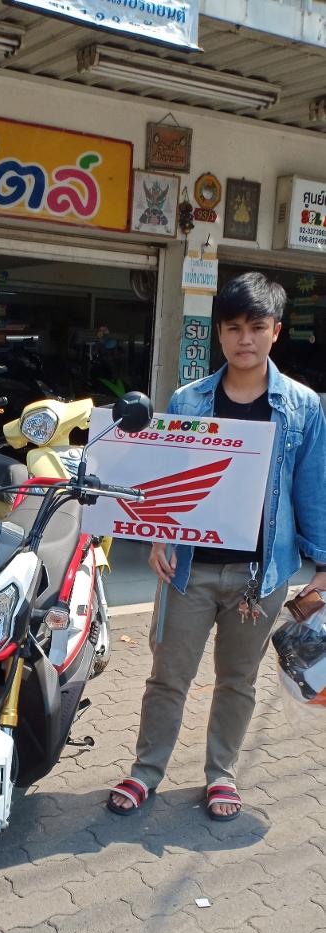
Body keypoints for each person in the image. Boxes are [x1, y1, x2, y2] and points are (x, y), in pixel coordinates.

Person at [108, 272, 326, 822]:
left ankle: (221, 774)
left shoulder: (301, 406)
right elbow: (166, 473)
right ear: (220, 333)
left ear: (276, 331)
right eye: (233, 328)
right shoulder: (190, 399)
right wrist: (159, 532)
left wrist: (323, 564)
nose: (244, 339)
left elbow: (312, 486)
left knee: (238, 680)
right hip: (189, 569)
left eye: (256, 327)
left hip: (261, 575)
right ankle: (146, 771)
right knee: (167, 677)